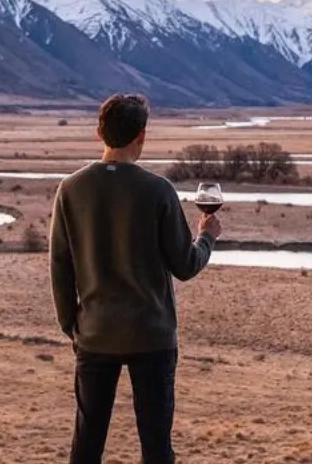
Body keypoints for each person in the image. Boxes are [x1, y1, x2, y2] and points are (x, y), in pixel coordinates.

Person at [50, 93, 220, 464]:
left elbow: (60, 267)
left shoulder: (71, 188)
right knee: (156, 447)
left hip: (95, 334)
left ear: (99, 133)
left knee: (87, 443)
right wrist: (207, 237)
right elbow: (186, 265)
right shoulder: (158, 190)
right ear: (141, 136)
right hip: (152, 336)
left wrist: (71, 326)